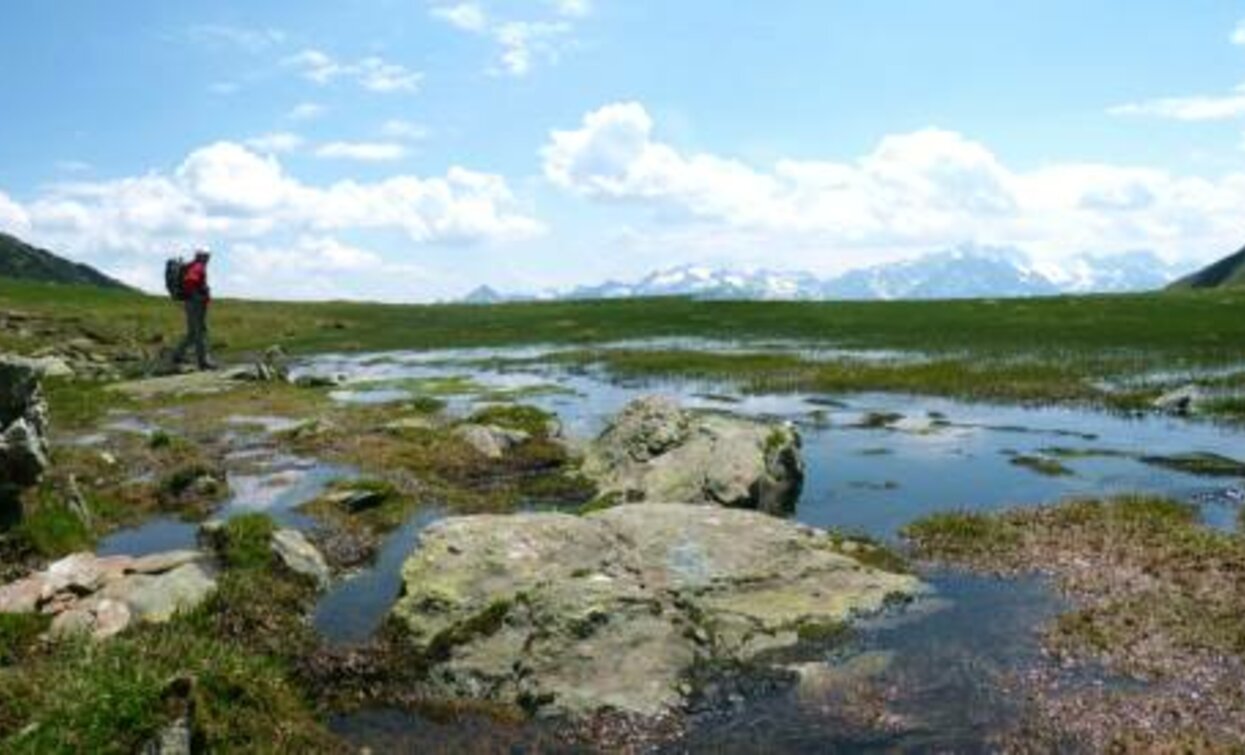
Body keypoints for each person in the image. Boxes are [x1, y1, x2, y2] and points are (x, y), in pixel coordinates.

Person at [172, 249, 216, 370]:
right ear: (202, 257)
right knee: (201, 332)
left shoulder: (192, 265)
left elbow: (189, 281)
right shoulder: (198, 266)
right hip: (196, 304)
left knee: (192, 333)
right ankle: (203, 362)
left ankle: (177, 355)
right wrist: (198, 296)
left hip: (190, 303)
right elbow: (189, 280)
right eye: (207, 256)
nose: (208, 259)